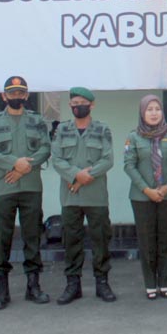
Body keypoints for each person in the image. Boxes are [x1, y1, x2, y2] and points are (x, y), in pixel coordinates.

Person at [0, 76, 52, 309]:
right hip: (4, 188)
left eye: (21, 93)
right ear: (4, 96)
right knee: (2, 239)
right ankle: (2, 291)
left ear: (26, 95)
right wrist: (14, 163)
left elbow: (45, 148)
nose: (17, 96)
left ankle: (34, 286)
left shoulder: (37, 120)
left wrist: (22, 169)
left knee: (32, 237)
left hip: (30, 186)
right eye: (12, 93)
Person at [51, 87, 117, 304]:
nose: (77, 106)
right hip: (71, 197)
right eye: (74, 103)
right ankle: (73, 285)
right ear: (70, 106)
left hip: (95, 196)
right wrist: (75, 175)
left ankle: (102, 283)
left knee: (100, 240)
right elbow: (57, 159)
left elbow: (108, 159)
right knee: (72, 241)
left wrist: (85, 176)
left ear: (92, 105)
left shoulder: (102, 129)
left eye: (82, 102)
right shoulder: (62, 129)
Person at [123, 95, 167, 299]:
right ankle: (150, 284)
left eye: (157, 108)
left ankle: (165, 283)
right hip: (142, 197)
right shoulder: (133, 137)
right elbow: (129, 166)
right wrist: (147, 190)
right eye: (149, 109)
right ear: (142, 112)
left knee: (166, 239)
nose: (154, 113)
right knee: (147, 241)